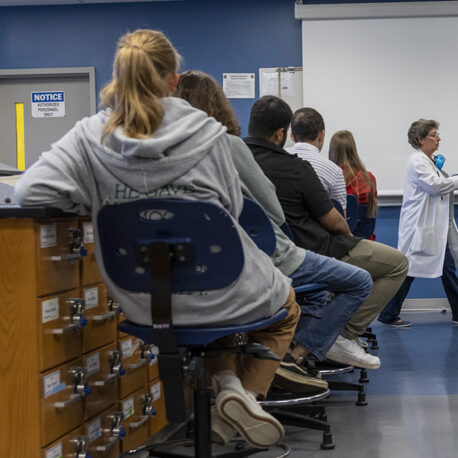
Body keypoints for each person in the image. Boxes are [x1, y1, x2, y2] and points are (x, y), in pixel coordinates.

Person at [13, 30, 299, 449]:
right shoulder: (210, 133)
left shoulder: (89, 136)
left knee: (199, 312)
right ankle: (243, 394)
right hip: (223, 286)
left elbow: (29, 193)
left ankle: (225, 387)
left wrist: (91, 195)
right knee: (285, 303)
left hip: (143, 301)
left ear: (118, 79)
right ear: (173, 81)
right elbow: (230, 212)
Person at [174, 70, 373, 391]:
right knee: (356, 280)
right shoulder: (228, 145)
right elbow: (273, 210)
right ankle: (291, 359)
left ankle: (238, 380)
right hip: (254, 261)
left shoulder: (162, 152)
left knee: (307, 291)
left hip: (191, 275)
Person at [245, 96, 409, 369]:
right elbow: (335, 221)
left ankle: (312, 342)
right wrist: (346, 236)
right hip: (307, 252)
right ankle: (339, 335)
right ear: (280, 133)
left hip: (252, 261)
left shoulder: (233, 164)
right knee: (397, 264)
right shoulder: (296, 168)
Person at [377, 119, 458, 327]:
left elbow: (438, 183)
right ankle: (389, 313)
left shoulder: (428, 161)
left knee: (445, 268)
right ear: (420, 139)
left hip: (432, 227)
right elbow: (435, 186)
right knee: (409, 270)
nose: (439, 139)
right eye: (434, 135)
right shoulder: (417, 161)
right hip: (420, 226)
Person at [285, 107, 348, 211]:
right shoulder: (334, 171)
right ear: (321, 135)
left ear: (291, 136)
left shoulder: (274, 160)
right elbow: (341, 218)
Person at [328, 129, 378, 239]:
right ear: (353, 150)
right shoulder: (369, 178)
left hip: (336, 241)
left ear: (332, 150)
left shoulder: (330, 178)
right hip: (365, 240)